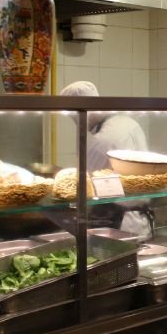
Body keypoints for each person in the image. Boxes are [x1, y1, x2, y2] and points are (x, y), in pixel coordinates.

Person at [59, 80, 150, 237]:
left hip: (118, 222)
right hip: (139, 219)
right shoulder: (128, 123)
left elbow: (85, 184)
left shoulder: (102, 140)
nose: (74, 121)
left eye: (73, 116)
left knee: (117, 259)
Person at [59, 80, 147, 172]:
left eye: (74, 117)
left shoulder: (100, 142)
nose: (76, 123)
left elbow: (88, 181)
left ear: (82, 111)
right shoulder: (129, 123)